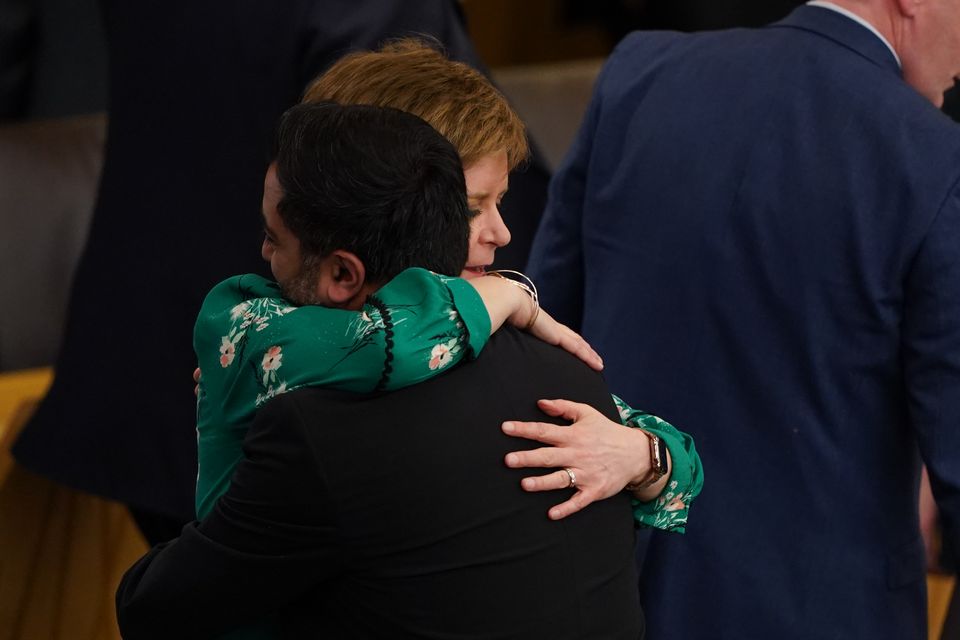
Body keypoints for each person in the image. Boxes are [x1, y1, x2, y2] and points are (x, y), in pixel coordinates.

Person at [12, 1, 550, 545]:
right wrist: (507, 302)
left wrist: (643, 458)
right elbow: (403, 182)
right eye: (476, 206)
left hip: (138, 351)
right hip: (321, 397)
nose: (497, 232)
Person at [116, 100, 645, 640]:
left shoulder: (318, 425)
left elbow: (164, 609)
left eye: (276, 239)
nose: (262, 254)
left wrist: (653, 457)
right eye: (477, 206)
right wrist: (651, 456)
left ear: (344, 272)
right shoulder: (575, 377)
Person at [524, 1, 960, 638]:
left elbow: (545, 330)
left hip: (605, 579)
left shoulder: (641, 74)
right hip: (817, 612)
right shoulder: (935, 160)